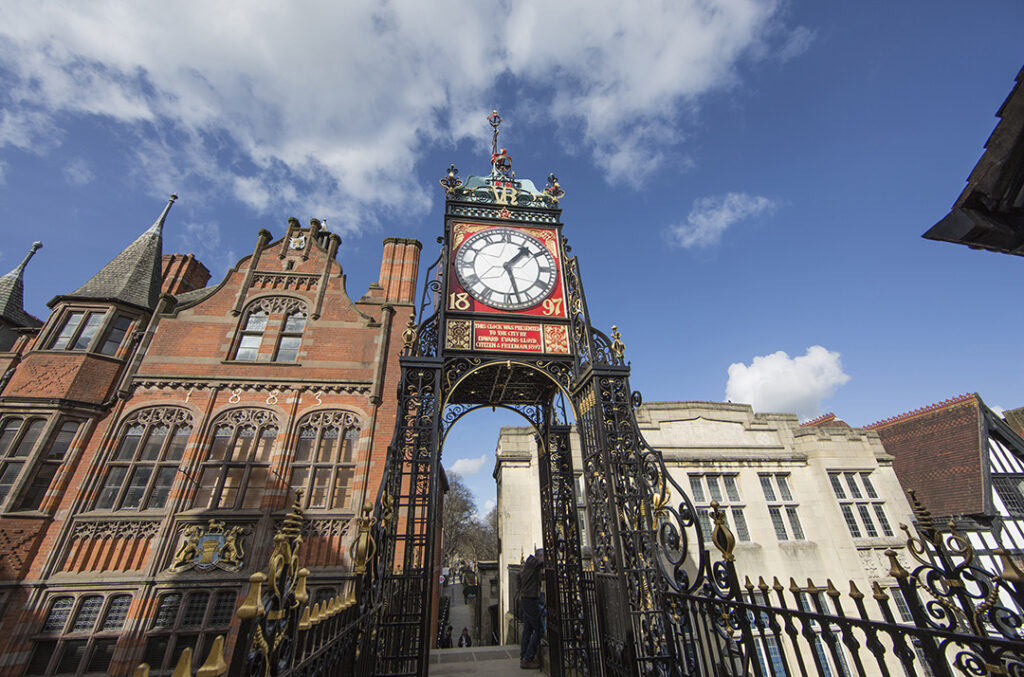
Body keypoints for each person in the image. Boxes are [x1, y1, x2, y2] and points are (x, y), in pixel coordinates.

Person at [517, 548, 544, 669]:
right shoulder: (532, 562)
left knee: (527, 629)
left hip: (527, 598)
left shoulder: (530, 565)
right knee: (539, 630)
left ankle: (524, 656)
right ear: (539, 556)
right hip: (529, 599)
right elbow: (540, 564)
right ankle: (528, 658)